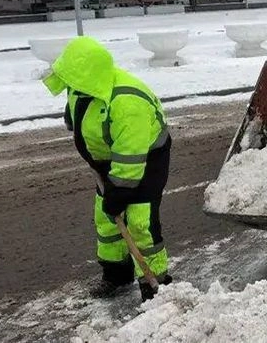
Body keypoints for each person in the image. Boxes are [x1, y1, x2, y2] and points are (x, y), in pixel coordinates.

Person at [43, 36, 173, 301]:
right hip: (107, 158)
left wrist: (119, 193)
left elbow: (130, 156)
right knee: (106, 220)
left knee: (140, 222)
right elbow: (79, 113)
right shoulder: (80, 88)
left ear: (87, 74)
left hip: (144, 158)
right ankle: (116, 275)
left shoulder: (127, 102)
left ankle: (155, 284)